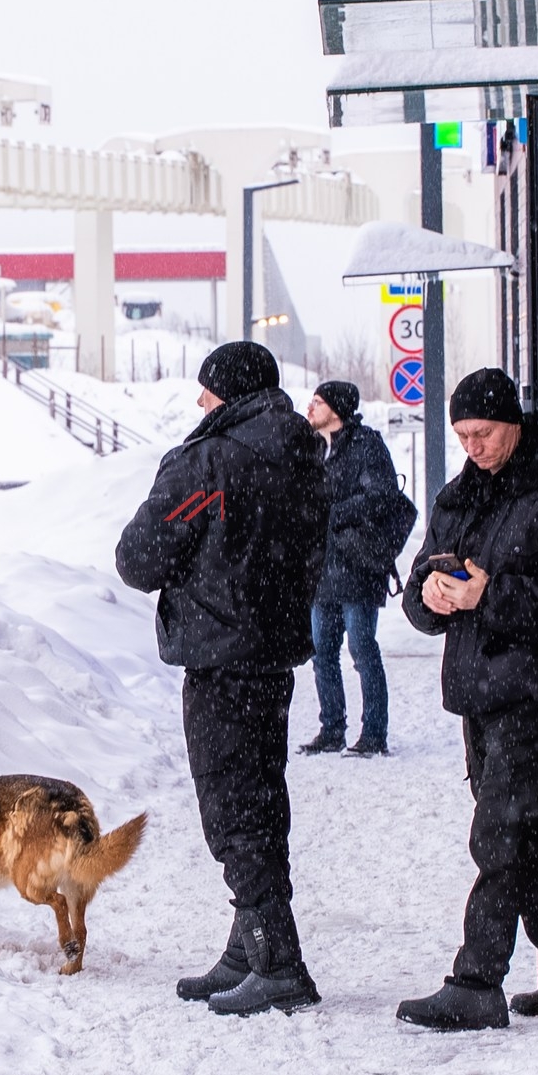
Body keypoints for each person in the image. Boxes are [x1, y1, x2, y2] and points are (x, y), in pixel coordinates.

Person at [394, 369, 538, 1031]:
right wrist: (428, 598)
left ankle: (477, 981)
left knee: (497, 837)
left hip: (533, 692)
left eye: (483, 433)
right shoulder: (459, 496)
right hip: (477, 695)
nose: (473, 447)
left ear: (511, 423)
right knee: (523, 839)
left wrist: (490, 594)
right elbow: (422, 581)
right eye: (463, 435)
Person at [115, 341, 330, 1016]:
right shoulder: (302, 455)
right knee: (262, 799)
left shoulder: (208, 464)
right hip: (272, 654)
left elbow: (138, 557)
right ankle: (246, 951)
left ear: (228, 395)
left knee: (234, 812)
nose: (199, 404)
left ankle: (278, 962)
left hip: (219, 657)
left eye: (206, 393)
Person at [299, 379, 416, 759]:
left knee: (362, 649)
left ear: (336, 409)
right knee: (322, 652)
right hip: (322, 567)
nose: (310, 408)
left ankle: (374, 734)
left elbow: (381, 495)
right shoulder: (312, 447)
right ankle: (332, 729)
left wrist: (332, 514)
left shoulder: (366, 444)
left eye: (317, 402)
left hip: (359, 563)